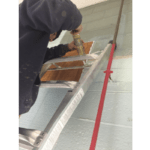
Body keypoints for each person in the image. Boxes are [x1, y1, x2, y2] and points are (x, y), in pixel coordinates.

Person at [18, 0, 83, 116]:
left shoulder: (24, 42)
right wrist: (77, 24)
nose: (51, 40)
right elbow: (56, 7)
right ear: (52, 29)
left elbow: (42, 55)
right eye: (53, 36)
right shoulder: (23, 13)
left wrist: (67, 47)